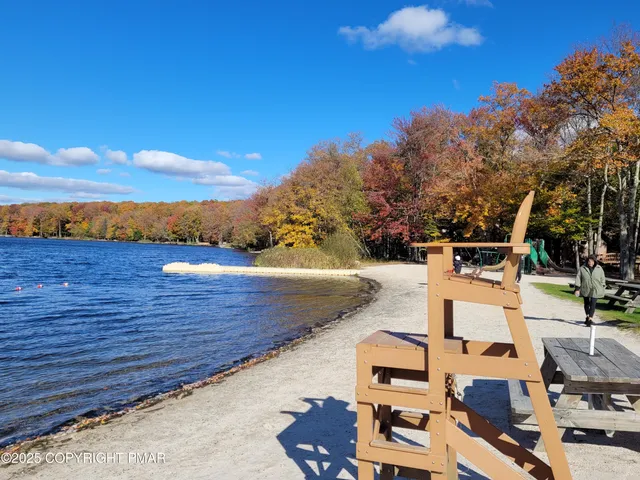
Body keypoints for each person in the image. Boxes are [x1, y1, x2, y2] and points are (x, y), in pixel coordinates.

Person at [574, 254, 606, 327]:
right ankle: (588, 316)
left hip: (596, 289)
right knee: (587, 303)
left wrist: (603, 286)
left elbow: (602, 278)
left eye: (592, 261)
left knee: (593, 303)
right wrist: (577, 289)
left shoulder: (599, 268)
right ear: (587, 261)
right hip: (586, 288)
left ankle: (590, 319)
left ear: (595, 262)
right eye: (589, 261)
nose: (590, 263)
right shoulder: (582, 268)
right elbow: (578, 278)